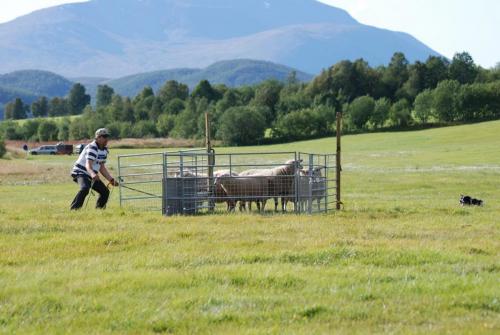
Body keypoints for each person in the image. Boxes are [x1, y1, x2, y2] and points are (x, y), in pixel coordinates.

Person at [70, 128, 119, 210]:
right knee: (85, 188)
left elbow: (101, 167)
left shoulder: (104, 150)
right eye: (104, 136)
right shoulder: (92, 148)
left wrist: (111, 179)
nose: (106, 139)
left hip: (91, 174)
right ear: (98, 137)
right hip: (80, 172)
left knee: (105, 192)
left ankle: (99, 210)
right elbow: (88, 165)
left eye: (107, 136)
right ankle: (74, 209)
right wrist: (93, 174)